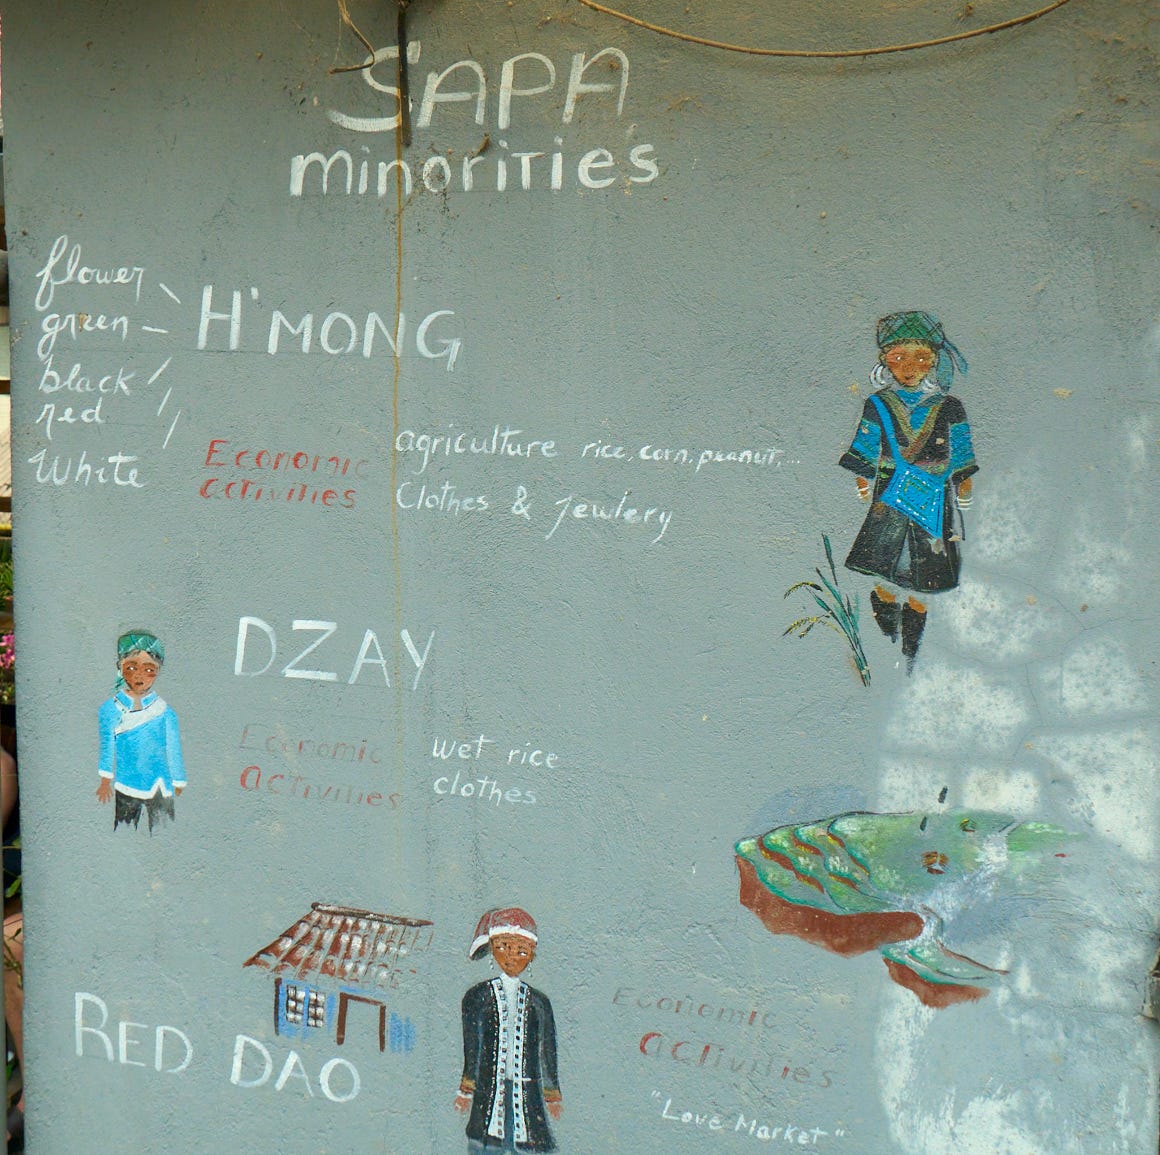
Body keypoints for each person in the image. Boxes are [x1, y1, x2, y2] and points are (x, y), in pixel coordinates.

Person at [840, 311, 977, 671]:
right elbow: (867, 444)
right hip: (889, 498)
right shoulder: (878, 405)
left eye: (920, 357)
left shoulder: (949, 407)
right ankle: (888, 638)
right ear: (885, 360)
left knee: (924, 581)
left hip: (932, 500)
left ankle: (910, 652)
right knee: (885, 572)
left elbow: (961, 450)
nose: (909, 367)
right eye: (899, 357)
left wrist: (963, 482)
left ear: (933, 361)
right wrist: (863, 478)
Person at [455, 907, 561, 1153]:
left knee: (525, 1142)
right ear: (492, 948)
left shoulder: (539, 1002)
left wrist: (552, 1094)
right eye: (503, 947)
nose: (512, 957)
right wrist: (466, 1089)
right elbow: (472, 1047)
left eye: (521, 951)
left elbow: (547, 1050)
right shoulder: (476, 997)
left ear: (531, 955)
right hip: (488, 1088)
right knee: (487, 1142)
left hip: (528, 1092)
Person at [96, 631, 186, 831]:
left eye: (149, 669)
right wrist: (105, 781)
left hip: (160, 786)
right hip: (127, 786)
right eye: (131, 667)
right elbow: (107, 747)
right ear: (120, 667)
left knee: (163, 830)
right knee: (125, 829)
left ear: (157, 671)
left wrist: (178, 780)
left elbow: (173, 748)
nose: (139, 675)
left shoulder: (164, 712)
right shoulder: (111, 709)